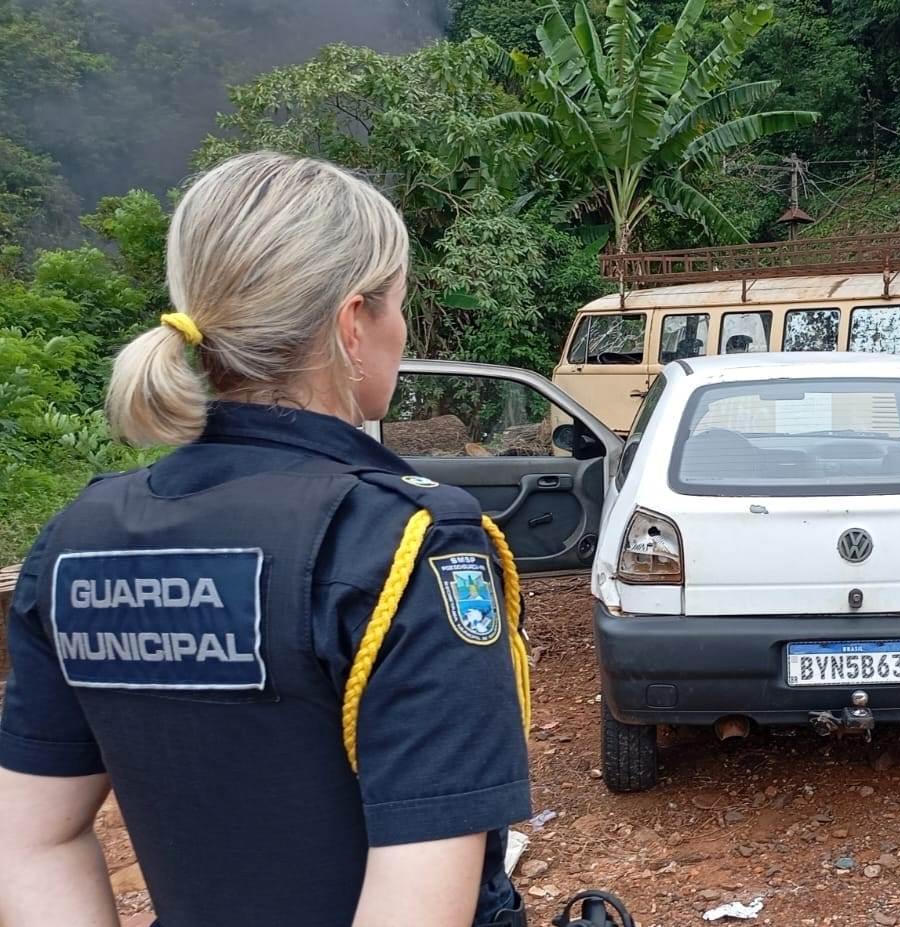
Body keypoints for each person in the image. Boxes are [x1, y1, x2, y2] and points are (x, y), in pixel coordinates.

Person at [0, 153, 532, 927]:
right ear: (355, 323)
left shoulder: (80, 538)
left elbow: (32, 841)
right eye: (398, 304)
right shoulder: (405, 545)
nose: (402, 327)